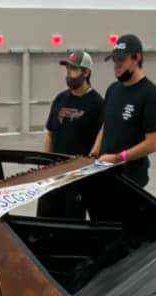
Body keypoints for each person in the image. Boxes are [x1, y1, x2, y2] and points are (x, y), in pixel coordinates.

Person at [90, 34, 156, 189]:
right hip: (105, 171)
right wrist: (95, 152)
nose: (116, 65)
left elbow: (152, 144)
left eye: (121, 60)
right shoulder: (113, 89)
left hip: (130, 178)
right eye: (114, 60)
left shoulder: (151, 94)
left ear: (136, 58)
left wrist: (118, 158)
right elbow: (106, 125)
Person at [38, 49, 104, 219]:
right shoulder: (60, 99)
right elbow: (50, 133)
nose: (68, 73)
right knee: (45, 219)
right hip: (53, 174)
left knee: (70, 221)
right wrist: (44, 164)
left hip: (76, 178)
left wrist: (90, 163)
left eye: (73, 69)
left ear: (86, 72)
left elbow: (101, 137)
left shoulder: (97, 103)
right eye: (67, 69)